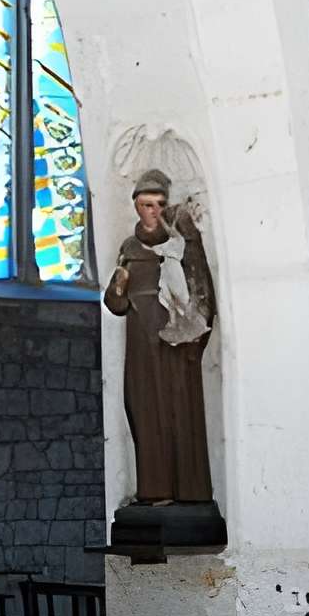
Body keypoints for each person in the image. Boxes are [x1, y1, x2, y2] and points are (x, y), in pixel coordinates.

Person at [105, 169, 215, 505]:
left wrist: (192, 337)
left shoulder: (183, 245)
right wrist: (118, 286)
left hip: (176, 347)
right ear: (136, 206)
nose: (152, 210)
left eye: (159, 204)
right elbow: (116, 304)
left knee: (181, 412)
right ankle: (154, 489)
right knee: (144, 410)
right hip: (141, 346)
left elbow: (200, 293)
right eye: (146, 204)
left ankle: (190, 491)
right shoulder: (128, 249)